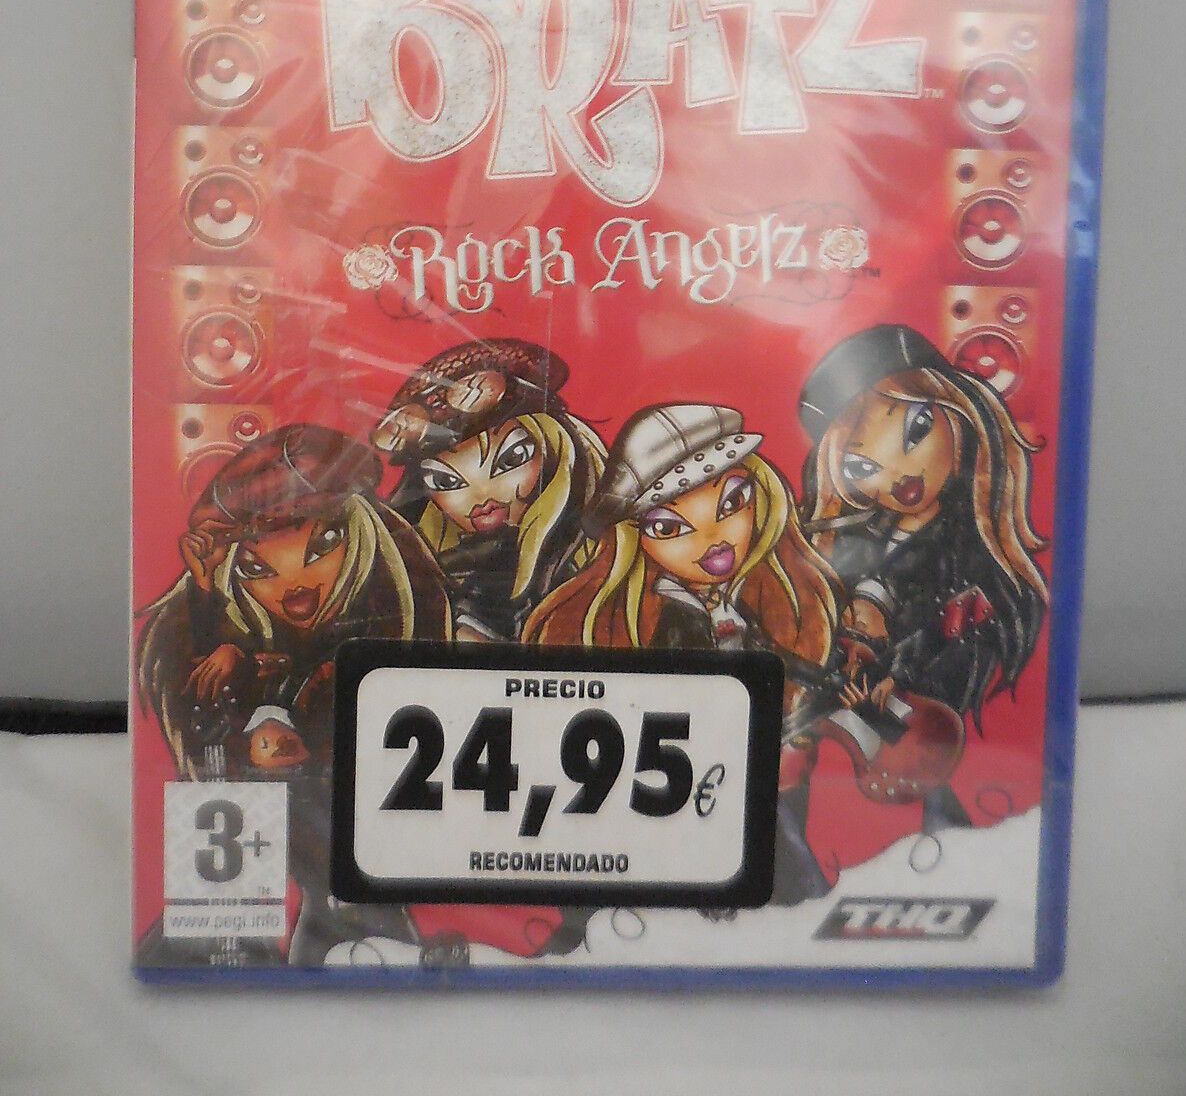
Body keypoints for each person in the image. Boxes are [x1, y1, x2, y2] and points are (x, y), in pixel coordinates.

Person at [136, 423, 450, 965]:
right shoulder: (230, 637)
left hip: (363, 821)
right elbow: (204, 715)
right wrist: (208, 604)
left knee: (355, 920)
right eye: (257, 567)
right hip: (249, 826)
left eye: (322, 545)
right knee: (219, 917)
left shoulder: (391, 616)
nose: (295, 585)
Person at [525, 402, 841, 903]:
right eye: (668, 528)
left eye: (732, 502)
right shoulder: (650, 620)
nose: (713, 539)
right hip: (667, 785)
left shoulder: (773, 599)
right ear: (633, 540)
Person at [798, 323, 1049, 830]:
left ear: (961, 413)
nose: (899, 475)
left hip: (930, 719)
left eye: (916, 430)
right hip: (859, 722)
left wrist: (901, 673)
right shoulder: (858, 539)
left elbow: (968, 625)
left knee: (934, 795)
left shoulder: (967, 545)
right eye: (862, 468)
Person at [373, 338, 606, 643]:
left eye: (511, 459)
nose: (482, 496)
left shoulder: (602, 552)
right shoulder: (440, 575)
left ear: (555, 447)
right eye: (445, 482)